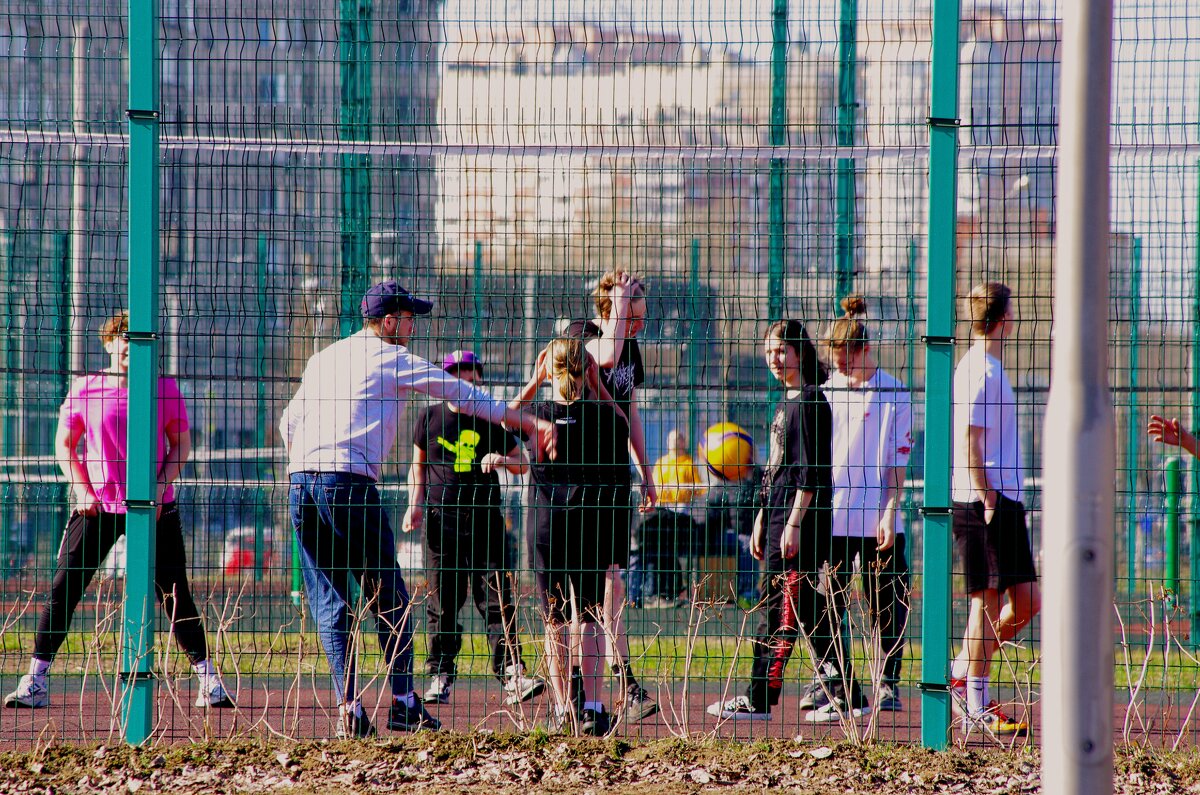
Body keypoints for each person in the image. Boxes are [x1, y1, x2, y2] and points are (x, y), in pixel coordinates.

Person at [280, 280, 556, 738]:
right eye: (408, 317)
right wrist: (527, 420)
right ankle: (405, 704)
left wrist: (310, 461)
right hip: (347, 482)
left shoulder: (323, 358)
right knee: (390, 597)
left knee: (331, 599)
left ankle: (350, 709)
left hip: (301, 483)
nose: (412, 325)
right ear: (388, 321)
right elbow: (465, 395)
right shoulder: (390, 357)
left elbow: (289, 422)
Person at [4, 311, 233, 711]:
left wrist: (160, 488)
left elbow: (180, 444)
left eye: (141, 339)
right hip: (98, 507)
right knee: (64, 586)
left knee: (174, 593)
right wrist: (82, 491)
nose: (132, 345)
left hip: (153, 509)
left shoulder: (163, 389)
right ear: (109, 343)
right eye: (124, 338)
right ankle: (35, 680)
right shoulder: (86, 388)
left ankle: (209, 680)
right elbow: (65, 445)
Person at [708, 320, 868, 722]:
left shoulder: (812, 401)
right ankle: (846, 694)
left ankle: (759, 697)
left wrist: (794, 522)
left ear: (799, 351)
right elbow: (779, 468)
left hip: (799, 525)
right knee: (813, 612)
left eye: (782, 350)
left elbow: (812, 473)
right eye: (769, 352)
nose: (774, 359)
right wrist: (764, 515)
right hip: (779, 518)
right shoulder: (788, 400)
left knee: (777, 609)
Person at [403, 350, 545, 707]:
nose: (465, 382)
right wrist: (414, 504)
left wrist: (502, 460)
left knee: (497, 598)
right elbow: (417, 466)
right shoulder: (429, 417)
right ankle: (441, 673)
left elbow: (521, 463)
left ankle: (512, 672)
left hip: (484, 521)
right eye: (456, 376)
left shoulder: (489, 420)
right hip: (440, 522)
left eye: (471, 376)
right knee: (442, 601)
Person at [521, 337, 631, 735]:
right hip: (590, 523)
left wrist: (535, 381)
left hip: (547, 525)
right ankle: (592, 706)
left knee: (554, 621)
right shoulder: (604, 417)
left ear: (549, 369)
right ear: (587, 372)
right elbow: (621, 420)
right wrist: (598, 386)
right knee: (587, 616)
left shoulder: (537, 412)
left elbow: (503, 417)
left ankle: (562, 709)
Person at [564, 270, 658, 722]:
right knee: (585, 590)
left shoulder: (631, 347)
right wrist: (621, 305)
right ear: (611, 303)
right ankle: (587, 689)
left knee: (614, 580)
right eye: (634, 300)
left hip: (615, 478)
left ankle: (623, 679)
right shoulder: (584, 337)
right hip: (578, 479)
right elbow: (604, 354)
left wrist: (646, 470)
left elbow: (630, 412)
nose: (641, 310)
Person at [949, 282, 1040, 737]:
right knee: (984, 603)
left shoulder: (988, 368)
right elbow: (970, 441)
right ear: (1003, 319)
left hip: (1003, 499)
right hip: (983, 501)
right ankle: (976, 702)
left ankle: (962, 670)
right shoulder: (978, 371)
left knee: (1027, 602)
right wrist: (986, 495)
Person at [820, 294, 913, 713]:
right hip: (832, 517)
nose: (839, 364)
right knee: (827, 602)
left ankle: (887, 681)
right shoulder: (823, 392)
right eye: (833, 355)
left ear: (865, 349)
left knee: (887, 601)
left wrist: (889, 512)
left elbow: (897, 463)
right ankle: (835, 680)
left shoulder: (894, 392)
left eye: (845, 355)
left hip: (876, 517)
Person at [636, 430, 705, 607]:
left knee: (678, 550)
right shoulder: (661, 462)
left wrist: (683, 489)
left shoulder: (689, 463)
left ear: (683, 442)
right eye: (672, 439)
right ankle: (658, 591)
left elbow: (698, 488)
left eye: (678, 439)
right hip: (663, 509)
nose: (675, 442)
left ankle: (677, 589)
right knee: (661, 549)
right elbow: (656, 486)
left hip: (681, 510)